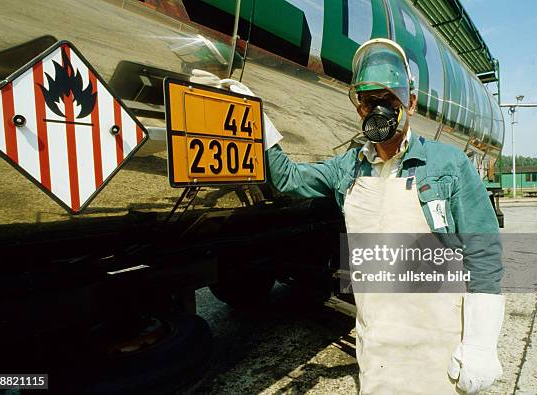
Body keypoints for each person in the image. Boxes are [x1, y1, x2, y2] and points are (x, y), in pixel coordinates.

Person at [191, 38, 505, 395]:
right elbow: (290, 179)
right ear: (359, 108)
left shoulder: (448, 164)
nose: (378, 110)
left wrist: (480, 345)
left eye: (388, 99)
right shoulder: (349, 167)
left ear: (410, 103)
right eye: (369, 101)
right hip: (378, 347)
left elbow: (483, 252)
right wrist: (252, 117)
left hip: (438, 344)